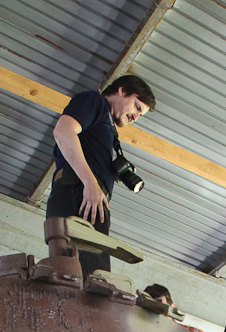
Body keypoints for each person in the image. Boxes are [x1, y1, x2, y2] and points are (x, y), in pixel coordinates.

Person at [32, 75, 155, 282]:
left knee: (92, 279)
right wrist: (91, 183)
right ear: (121, 91)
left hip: (89, 202)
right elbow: (63, 130)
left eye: (140, 115)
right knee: (81, 279)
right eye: (136, 106)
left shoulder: (109, 129)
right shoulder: (94, 101)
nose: (135, 117)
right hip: (78, 193)